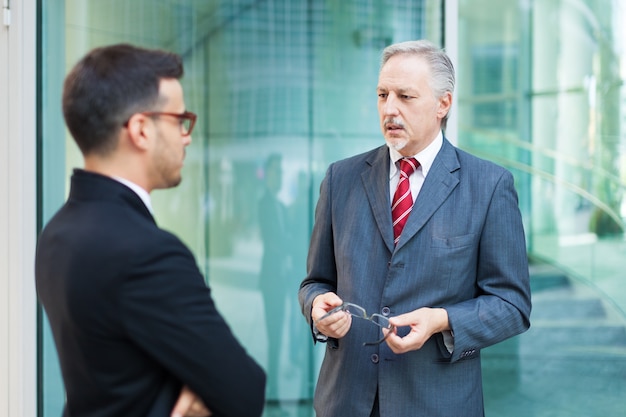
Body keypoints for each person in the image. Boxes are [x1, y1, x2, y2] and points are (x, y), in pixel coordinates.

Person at [298, 39, 532, 417]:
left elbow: (512, 305)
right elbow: (315, 282)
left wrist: (441, 320)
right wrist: (316, 307)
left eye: (405, 96)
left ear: (443, 104)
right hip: (345, 402)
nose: (390, 108)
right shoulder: (340, 178)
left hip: (437, 403)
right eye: (382, 94)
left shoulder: (489, 186)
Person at [35, 43, 266, 417]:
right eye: (180, 120)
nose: (186, 135)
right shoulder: (147, 253)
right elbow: (244, 392)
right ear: (141, 129)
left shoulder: (56, 233)